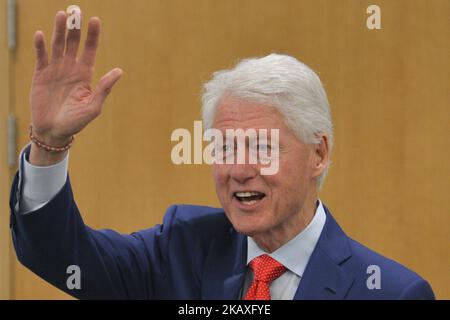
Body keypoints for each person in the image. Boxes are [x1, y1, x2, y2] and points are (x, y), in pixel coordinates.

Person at [9, 11, 434, 300]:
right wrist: (49, 143)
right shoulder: (179, 251)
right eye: (225, 148)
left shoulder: (390, 291)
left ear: (318, 154)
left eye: (263, 148)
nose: (238, 169)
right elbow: (61, 255)